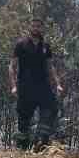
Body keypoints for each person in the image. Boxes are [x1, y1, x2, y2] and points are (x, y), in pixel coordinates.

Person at [11, 16, 64, 150]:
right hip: (25, 86)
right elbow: (12, 66)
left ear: (41, 28)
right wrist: (13, 86)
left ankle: (41, 142)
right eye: (33, 26)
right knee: (24, 118)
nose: (36, 28)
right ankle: (22, 149)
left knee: (51, 108)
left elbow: (50, 66)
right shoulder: (21, 44)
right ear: (30, 27)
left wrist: (57, 83)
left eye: (38, 26)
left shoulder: (45, 46)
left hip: (43, 86)